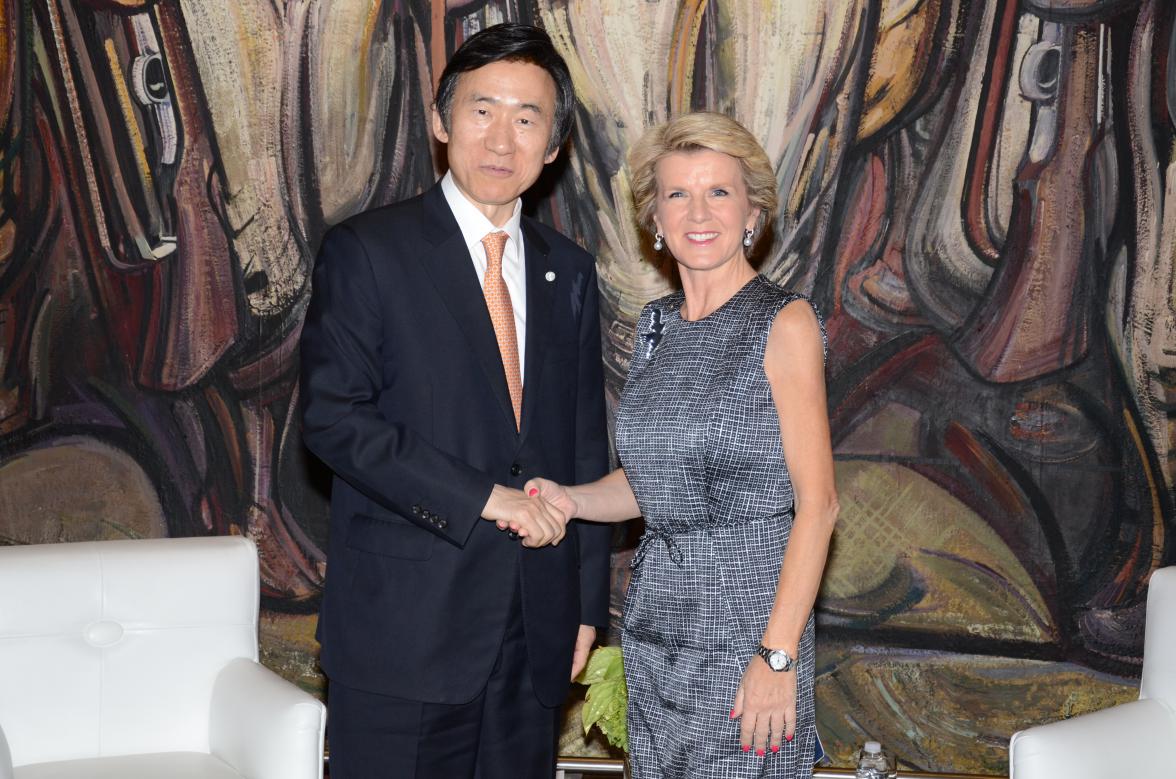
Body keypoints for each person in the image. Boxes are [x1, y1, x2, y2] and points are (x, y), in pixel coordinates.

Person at [299, 23, 611, 778]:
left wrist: (585, 605)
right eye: (482, 110)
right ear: (441, 123)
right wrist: (487, 498)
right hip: (405, 632)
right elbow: (334, 420)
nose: (502, 137)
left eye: (528, 117)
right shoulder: (369, 251)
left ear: (555, 145)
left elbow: (582, 446)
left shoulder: (567, 272)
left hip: (534, 632)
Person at [525, 112, 839, 778]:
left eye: (718, 192)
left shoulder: (783, 321)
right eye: (677, 194)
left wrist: (777, 656)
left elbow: (819, 505)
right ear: (656, 221)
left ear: (752, 211)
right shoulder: (657, 325)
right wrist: (569, 498)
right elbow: (653, 484)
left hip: (749, 639)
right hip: (656, 637)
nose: (699, 212)